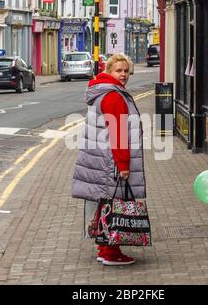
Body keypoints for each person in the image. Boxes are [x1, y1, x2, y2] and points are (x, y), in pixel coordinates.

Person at [72, 53, 146, 266]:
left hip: (102, 159)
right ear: (109, 71)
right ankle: (110, 253)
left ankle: (105, 247)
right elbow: (119, 133)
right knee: (115, 205)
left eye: (126, 71)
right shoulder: (113, 96)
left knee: (106, 204)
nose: (123, 75)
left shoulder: (103, 91)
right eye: (118, 71)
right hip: (111, 162)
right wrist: (123, 166)